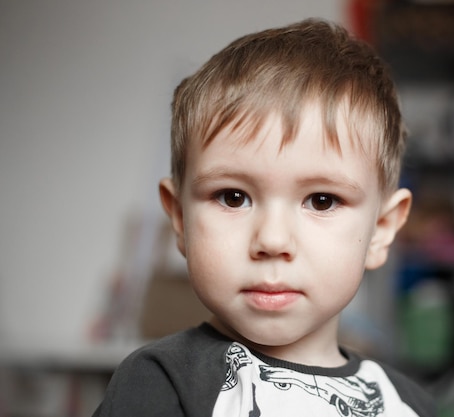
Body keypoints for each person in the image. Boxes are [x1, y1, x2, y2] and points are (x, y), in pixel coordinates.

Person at [93, 18, 434, 417]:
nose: (272, 240)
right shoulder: (160, 384)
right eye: (233, 197)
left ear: (380, 230)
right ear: (180, 219)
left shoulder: (408, 404)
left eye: (322, 200)